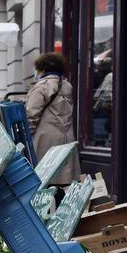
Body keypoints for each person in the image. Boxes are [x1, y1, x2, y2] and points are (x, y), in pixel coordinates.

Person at [26, 52, 81, 184]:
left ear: (42, 68)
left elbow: (31, 115)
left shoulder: (42, 87)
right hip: (66, 137)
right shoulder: (67, 86)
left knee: (45, 176)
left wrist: (27, 136)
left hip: (45, 139)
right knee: (64, 176)